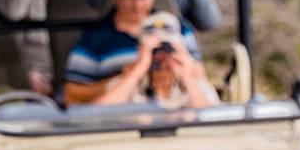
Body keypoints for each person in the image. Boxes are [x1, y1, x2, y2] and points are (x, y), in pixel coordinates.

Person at [63, 0, 208, 107]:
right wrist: (125, 77)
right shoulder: (93, 38)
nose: (137, 5)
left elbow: (201, 80)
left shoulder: (178, 29)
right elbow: (70, 95)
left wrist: (181, 66)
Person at [88, 13, 218, 109]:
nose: (160, 57)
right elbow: (96, 114)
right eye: (154, 50)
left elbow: (213, 122)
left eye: (167, 48)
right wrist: (138, 70)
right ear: (141, 50)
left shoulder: (195, 85)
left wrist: (187, 78)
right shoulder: (128, 84)